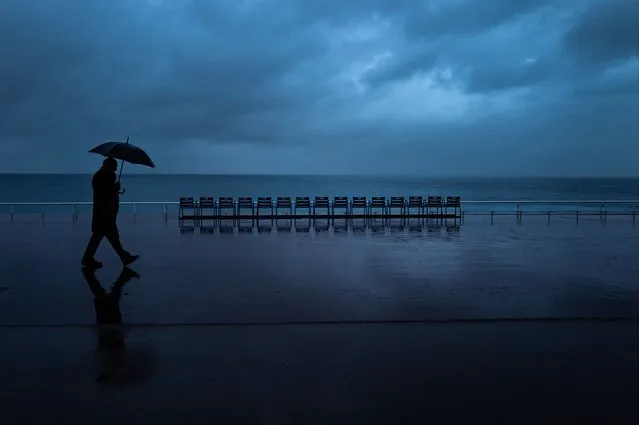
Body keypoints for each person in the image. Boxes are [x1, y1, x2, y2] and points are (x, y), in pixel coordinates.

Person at [81, 157, 139, 267]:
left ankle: (123, 257)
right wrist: (115, 187)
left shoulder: (103, 176)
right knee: (103, 236)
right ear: (109, 165)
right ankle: (123, 257)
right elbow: (104, 193)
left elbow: (106, 191)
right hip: (104, 213)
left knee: (108, 236)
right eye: (114, 167)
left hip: (107, 213)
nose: (116, 169)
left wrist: (115, 188)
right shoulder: (101, 177)